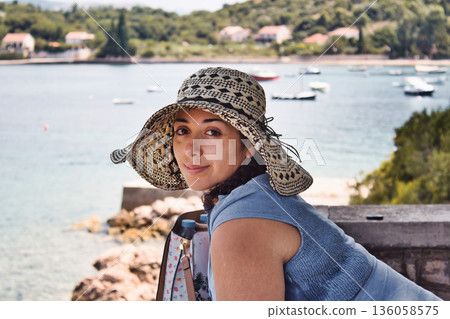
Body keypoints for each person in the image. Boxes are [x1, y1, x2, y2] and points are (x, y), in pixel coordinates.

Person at [111, 67, 441, 301]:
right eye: (183, 130)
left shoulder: (242, 224)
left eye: (213, 132)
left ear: (249, 145)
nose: (191, 148)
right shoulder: (257, 194)